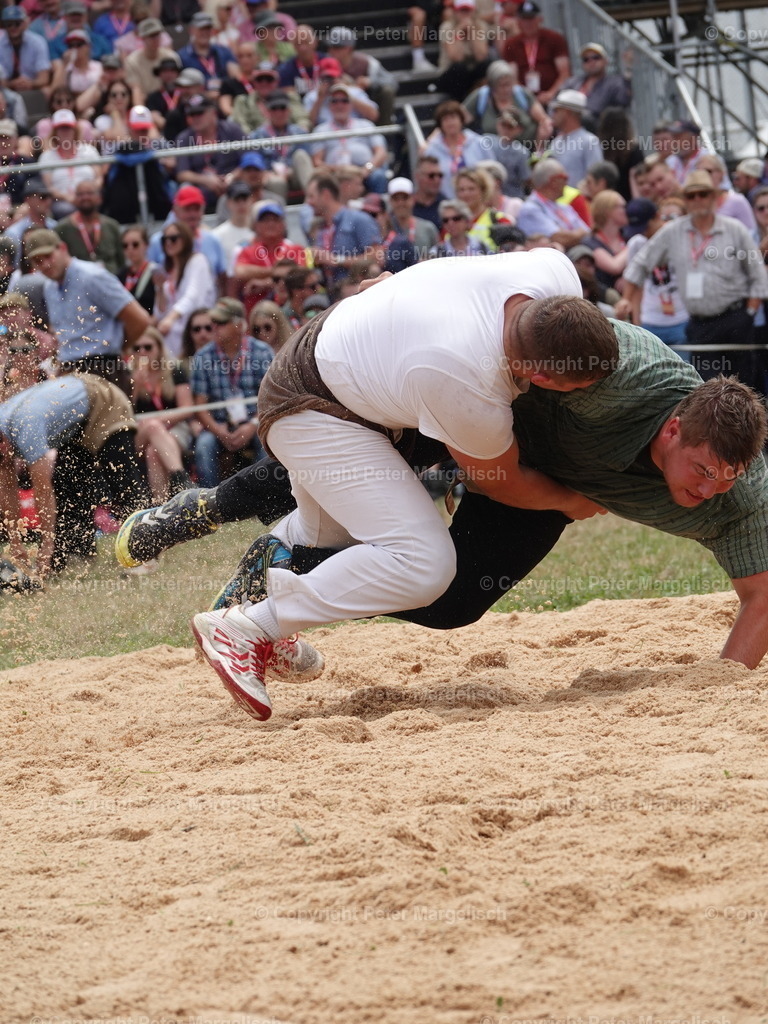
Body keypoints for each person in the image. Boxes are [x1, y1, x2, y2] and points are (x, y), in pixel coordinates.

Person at [119, 329, 768, 686]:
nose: (709, 488)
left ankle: (290, 557)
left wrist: (721, 689)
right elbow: (549, 327)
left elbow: (761, 594)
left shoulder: (739, 499)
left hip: (543, 476)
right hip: (497, 413)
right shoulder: (624, 377)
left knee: (453, 603)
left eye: (725, 479)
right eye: (703, 471)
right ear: (676, 428)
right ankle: (198, 511)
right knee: (355, 450)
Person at [183, 251, 619, 720]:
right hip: (313, 403)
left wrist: (398, 293)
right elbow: (504, 483)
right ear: (540, 375)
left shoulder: (554, 269)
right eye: (573, 388)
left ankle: (267, 596)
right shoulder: (467, 379)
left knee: (327, 536)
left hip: (346, 354)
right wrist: (573, 500)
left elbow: (450, 275)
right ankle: (248, 627)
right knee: (425, 565)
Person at [619, 169, 768, 388]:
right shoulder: (673, 231)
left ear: (714, 196)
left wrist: (750, 312)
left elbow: (757, 274)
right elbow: (640, 264)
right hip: (699, 323)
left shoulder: (734, 230)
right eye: (691, 195)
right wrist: (626, 299)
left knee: (743, 386)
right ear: (685, 200)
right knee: (707, 389)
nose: (698, 200)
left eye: (703, 194)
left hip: (736, 318)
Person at [0, 369, 150, 577]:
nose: (4, 460)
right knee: (68, 486)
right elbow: (7, 489)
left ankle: (147, 549)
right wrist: (16, 545)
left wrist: (46, 546)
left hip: (103, 399)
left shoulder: (25, 426)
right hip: (73, 423)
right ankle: (77, 554)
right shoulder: (4, 432)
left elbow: (43, 490)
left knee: (121, 480)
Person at [25, 227, 150, 387]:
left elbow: (139, 319)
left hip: (103, 367)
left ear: (62, 248)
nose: (45, 264)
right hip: (70, 369)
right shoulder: (49, 287)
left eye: (48, 256)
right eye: (38, 261)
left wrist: (117, 347)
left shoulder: (92, 277)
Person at [189, 296, 273, 488]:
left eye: (221, 323)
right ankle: (208, 504)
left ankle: (263, 502)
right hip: (218, 425)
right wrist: (220, 431)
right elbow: (200, 407)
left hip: (257, 421)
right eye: (213, 323)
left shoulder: (262, 352)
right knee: (204, 445)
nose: (214, 328)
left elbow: (271, 399)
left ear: (238, 325)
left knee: (268, 441)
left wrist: (253, 424)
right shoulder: (202, 356)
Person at [128, 326, 194, 500]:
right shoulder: (128, 374)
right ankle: (182, 480)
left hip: (174, 427)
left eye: (148, 347)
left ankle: (162, 506)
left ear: (159, 348)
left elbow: (187, 407)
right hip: (139, 432)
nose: (143, 352)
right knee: (152, 427)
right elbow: (124, 412)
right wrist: (136, 386)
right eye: (137, 348)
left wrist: (158, 420)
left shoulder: (174, 370)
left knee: (153, 452)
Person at [153, 219, 217, 358]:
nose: (168, 242)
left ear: (185, 239)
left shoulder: (198, 261)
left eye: (174, 238)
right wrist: (159, 290)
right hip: (173, 337)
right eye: (164, 239)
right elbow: (160, 313)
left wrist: (170, 319)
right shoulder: (166, 268)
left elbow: (192, 296)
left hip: (196, 332)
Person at [463, 59, 551, 148]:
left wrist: (541, 144)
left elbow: (544, 120)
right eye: (502, 85)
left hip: (528, 150)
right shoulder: (481, 97)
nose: (506, 89)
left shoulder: (522, 95)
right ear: (492, 86)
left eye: (509, 84)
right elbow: (460, 119)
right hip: (492, 153)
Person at [501, 0, 569, 107]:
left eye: (531, 19)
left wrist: (551, 93)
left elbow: (564, 73)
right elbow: (512, 77)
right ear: (518, 21)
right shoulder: (512, 44)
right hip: (523, 100)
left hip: (553, 96)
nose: (528, 23)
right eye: (524, 19)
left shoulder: (555, 38)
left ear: (540, 19)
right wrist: (527, 98)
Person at [55, 178, 124, 275]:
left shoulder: (112, 226)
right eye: (80, 194)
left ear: (100, 198)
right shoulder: (62, 228)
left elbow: (121, 261)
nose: (85, 197)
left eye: (89, 193)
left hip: (110, 280)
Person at [516, 157, 589, 248]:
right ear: (553, 181)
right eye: (565, 178)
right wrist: (578, 234)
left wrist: (572, 235)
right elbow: (559, 238)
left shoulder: (563, 207)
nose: (567, 183)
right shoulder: (530, 209)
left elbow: (588, 233)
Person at [421, 100, 486, 201]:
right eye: (445, 119)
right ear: (440, 124)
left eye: (453, 118)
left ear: (461, 120)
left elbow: (490, 173)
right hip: (448, 204)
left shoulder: (478, 143)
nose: (450, 123)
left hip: (479, 201)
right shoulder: (432, 149)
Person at [562, 42, 631, 124]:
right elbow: (557, 103)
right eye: (586, 59)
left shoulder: (614, 83)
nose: (591, 62)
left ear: (606, 61)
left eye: (596, 57)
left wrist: (628, 68)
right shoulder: (572, 82)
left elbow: (623, 101)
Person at [547, 89, 601, 188]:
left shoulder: (590, 141)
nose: (553, 115)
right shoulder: (556, 142)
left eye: (556, 110)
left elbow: (596, 178)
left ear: (567, 112)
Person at [584, 189, 628, 290]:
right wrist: (636, 243)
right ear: (608, 210)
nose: (626, 211)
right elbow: (614, 266)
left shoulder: (626, 237)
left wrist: (629, 280)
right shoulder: (590, 242)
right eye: (622, 207)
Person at [0, 6, 52, 91]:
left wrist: (30, 83)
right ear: (4, 26)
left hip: (33, 86)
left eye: (17, 23)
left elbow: (44, 78)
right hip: (6, 89)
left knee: (46, 91)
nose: (13, 27)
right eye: (9, 24)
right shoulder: (0, 44)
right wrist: (12, 84)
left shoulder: (38, 42)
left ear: (24, 23)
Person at [118, 223, 156, 316]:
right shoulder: (121, 274)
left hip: (149, 324)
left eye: (135, 244)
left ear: (146, 245)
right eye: (125, 245)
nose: (130, 249)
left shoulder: (155, 272)